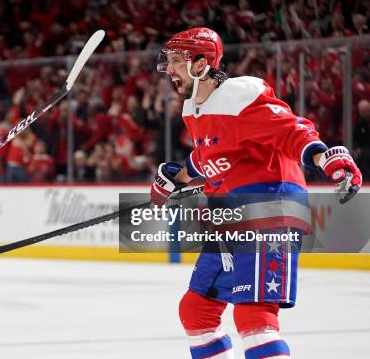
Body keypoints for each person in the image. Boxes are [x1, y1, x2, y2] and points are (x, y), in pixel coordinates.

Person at [150, 27, 362, 359]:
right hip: (229, 219)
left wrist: (325, 157)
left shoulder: (240, 95)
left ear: (202, 63)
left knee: (254, 318)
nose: (170, 70)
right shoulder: (192, 110)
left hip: (268, 211)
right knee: (196, 311)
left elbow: (290, 131)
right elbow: (213, 154)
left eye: (178, 61)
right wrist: (178, 176)